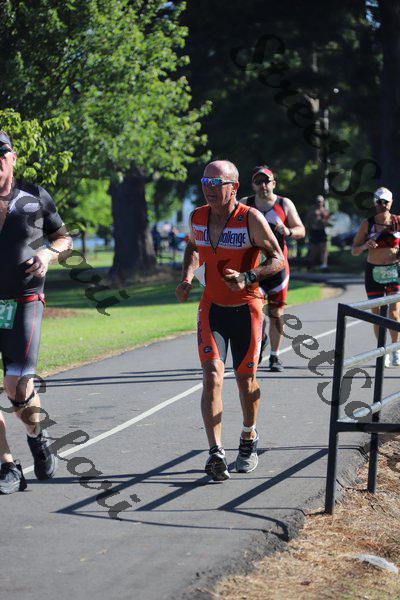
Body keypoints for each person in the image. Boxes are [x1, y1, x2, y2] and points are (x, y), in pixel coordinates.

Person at [175, 160, 284, 481]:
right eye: (204, 182)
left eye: (216, 183)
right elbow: (193, 248)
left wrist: (249, 276)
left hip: (247, 309)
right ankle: (216, 453)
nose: (208, 189)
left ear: (233, 187)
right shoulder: (197, 216)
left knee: (245, 381)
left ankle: (249, 436)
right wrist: (187, 278)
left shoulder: (251, 219)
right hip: (212, 308)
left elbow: (277, 259)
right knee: (212, 375)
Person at [0, 131, 72, 494]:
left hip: (24, 300)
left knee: (17, 385)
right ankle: (7, 465)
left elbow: (64, 239)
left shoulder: (35, 196)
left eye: (1, 153)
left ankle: (36, 436)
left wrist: (47, 253)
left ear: (13, 157)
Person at [241, 166, 305, 372]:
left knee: (276, 312)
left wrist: (288, 231)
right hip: (254, 268)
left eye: (266, 181)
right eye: (258, 182)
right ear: (253, 185)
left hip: (278, 267)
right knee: (254, 311)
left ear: (273, 183)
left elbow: (301, 230)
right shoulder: (245, 203)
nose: (263, 185)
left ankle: (275, 356)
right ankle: (261, 341)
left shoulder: (284, 204)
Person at [352, 186, 400, 367]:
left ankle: (395, 349)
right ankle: (382, 350)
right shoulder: (368, 224)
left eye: (386, 201)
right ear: (374, 203)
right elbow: (354, 250)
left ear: (391, 202)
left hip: (393, 272)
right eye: (379, 201)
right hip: (373, 272)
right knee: (377, 314)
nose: (383, 205)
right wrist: (365, 246)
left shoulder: (397, 221)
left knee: (394, 313)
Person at [306, 195, 330, 270]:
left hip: (322, 231)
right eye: (318, 201)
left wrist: (324, 222)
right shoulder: (312, 210)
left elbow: (327, 222)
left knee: (324, 248)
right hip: (314, 231)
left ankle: (324, 265)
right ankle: (310, 264)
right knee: (313, 248)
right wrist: (307, 231)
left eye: (320, 201)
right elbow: (308, 221)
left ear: (323, 202)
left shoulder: (325, 211)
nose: (319, 202)